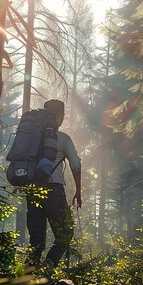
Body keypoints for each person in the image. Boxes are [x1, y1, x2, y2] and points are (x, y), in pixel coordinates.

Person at [27, 99, 82, 268]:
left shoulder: (31, 137)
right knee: (65, 234)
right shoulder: (63, 138)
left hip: (32, 190)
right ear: (58, 115)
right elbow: (76, 164)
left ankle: (25, 279)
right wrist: (78, 191)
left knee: (36, 241)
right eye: (63, 115)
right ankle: (46, 270)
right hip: (53, 190)